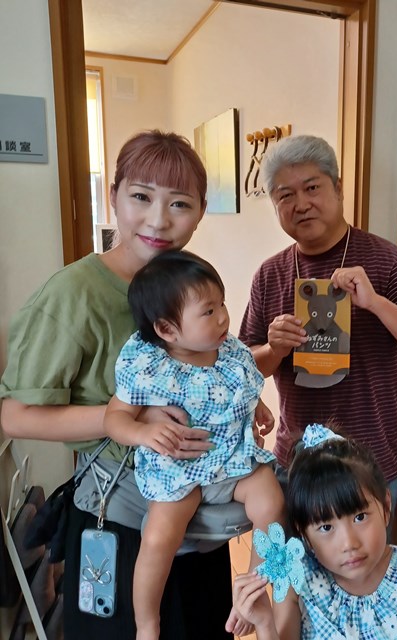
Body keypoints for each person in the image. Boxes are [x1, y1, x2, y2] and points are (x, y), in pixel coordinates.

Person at [0, 130, 239, 639]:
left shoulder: (189, 284)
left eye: (179, 203)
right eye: (141, 197)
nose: (158, 219)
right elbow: (15, 415)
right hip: (119, 518)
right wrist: (128, 418)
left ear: (200, 212)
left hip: (195, 514)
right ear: (113, 197)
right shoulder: (73, 295)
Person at [239, 135, 397, 515]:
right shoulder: (270, 275)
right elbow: (241, 370)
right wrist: (274, 349)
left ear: (338, 189)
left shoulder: (387, 261)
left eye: (312, 188)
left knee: (363, 557)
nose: (301, 204)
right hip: (296, 465)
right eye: (285, 196)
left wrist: (376, 304)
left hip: (369, 469)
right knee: (292, 557)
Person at [104, 249, 285, 640]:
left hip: (233, 458)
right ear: (167, 330)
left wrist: (257, 406)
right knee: (158, 537)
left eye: (222, 304)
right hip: (177, 468)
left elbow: (241, 386)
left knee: (272, 503)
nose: (222, 317)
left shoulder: (230, 351)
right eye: (208, 311)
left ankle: (251, 595)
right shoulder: (149, 365)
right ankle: (147, 623)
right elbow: (114, 418)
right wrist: (143, 433)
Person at [229, 424, 397, 639]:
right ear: (304, 535)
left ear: (386, 507)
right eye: (326, 527)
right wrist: (265, 623)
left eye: (360, 517)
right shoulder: (297, 578)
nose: (349, 543)